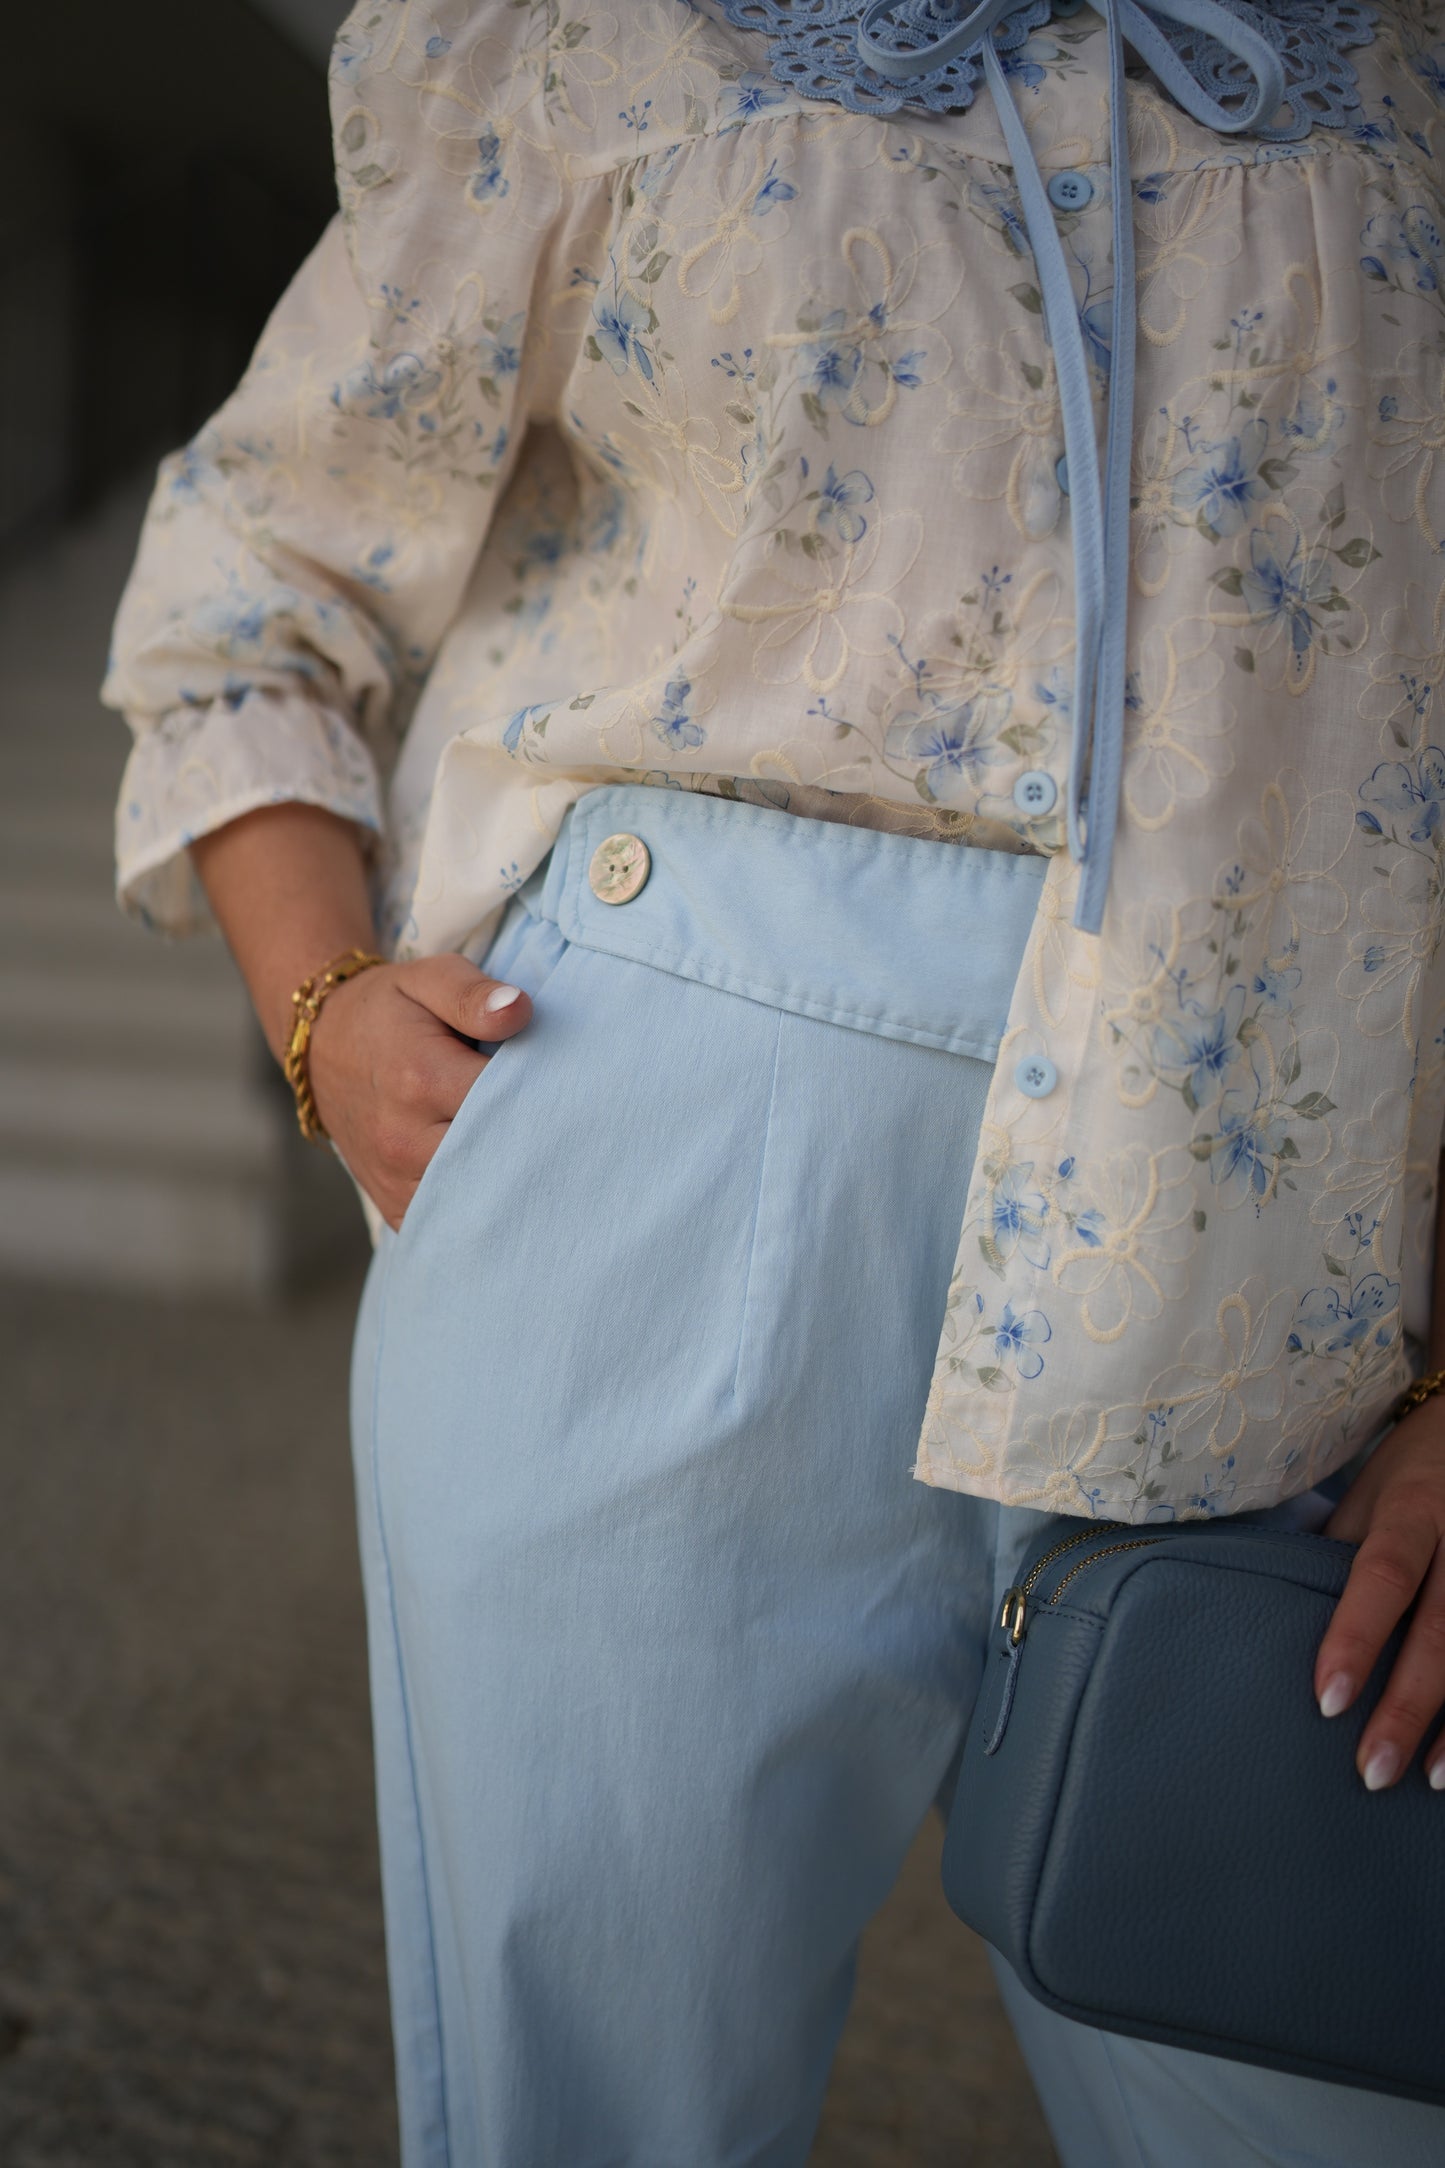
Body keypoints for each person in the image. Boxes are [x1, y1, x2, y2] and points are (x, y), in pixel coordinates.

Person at [104, 1, 1445, 2160]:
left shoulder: (1397, 71)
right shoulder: (592, 35)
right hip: (651, 1145)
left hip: (1268, 1245)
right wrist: (323, 1003)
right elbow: (256, 578)